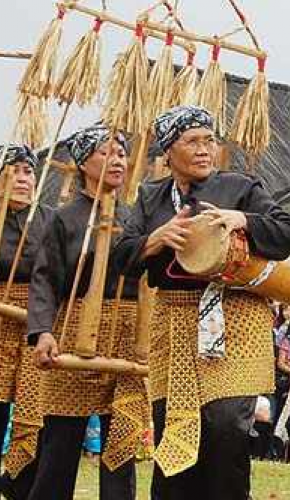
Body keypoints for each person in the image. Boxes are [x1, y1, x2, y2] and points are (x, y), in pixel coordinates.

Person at [112, 105, 290, 499]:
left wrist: (243, 220)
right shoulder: (151, 198)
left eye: (209, 141)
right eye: (192, 141)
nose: (204, 150)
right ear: (168, 152)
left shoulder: (241, 188)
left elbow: (289, 233)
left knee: (226, 424)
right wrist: (157, 238)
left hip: (235, 318)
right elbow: (120, 255)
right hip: (175, 320)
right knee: (175, 425)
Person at [27, 125, 147, 500]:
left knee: (121, 442)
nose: (117, 161)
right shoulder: (64, 219)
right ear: (82, 163)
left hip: (129, 331)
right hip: (77, 327)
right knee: (61, 440)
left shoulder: (135, 217)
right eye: (105, 153)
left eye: (122, 154)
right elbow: (44, 278)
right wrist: (43, 331)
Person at [0, 145, 53, 499]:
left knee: (35, 412)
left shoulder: (50, 220)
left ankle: (18, 487)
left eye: (29, 171)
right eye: (15, 170)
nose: (24, 178)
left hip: (36, 323)